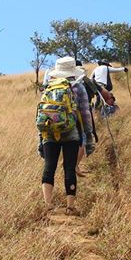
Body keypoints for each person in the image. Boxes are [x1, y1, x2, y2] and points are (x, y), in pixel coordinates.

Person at [38, 56, 95, 215]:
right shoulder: (78, 87)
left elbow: (42, 112)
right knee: (69, 168)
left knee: (49, 167)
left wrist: (40, 137)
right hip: (71, 133)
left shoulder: (49, 87)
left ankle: (48, 205)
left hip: (49, 132)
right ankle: (70, 207)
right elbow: (85, 113)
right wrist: (88, 135)